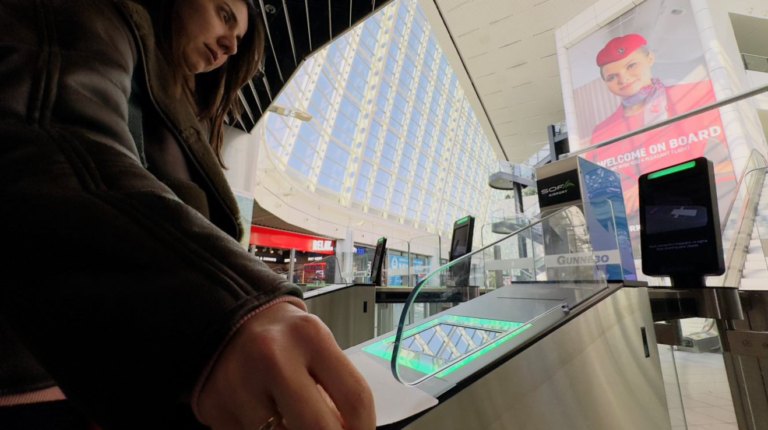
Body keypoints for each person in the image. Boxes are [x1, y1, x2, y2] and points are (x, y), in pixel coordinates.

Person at [0, 1, 375, 429]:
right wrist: (228, 315)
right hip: (41, 393)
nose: (231, 44)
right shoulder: (90, 16)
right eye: (225, 14)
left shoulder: (173, 103)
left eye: (238, 38)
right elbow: (58, 142)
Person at [587, 33, 734, 227]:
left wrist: (651, 187)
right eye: (612, 77)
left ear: (650, 59)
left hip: (710, 211)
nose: (624, 79)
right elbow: (596, 191)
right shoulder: (602, 132)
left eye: (631, 65)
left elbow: (737, 162)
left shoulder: (699, 95)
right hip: (640, 227)